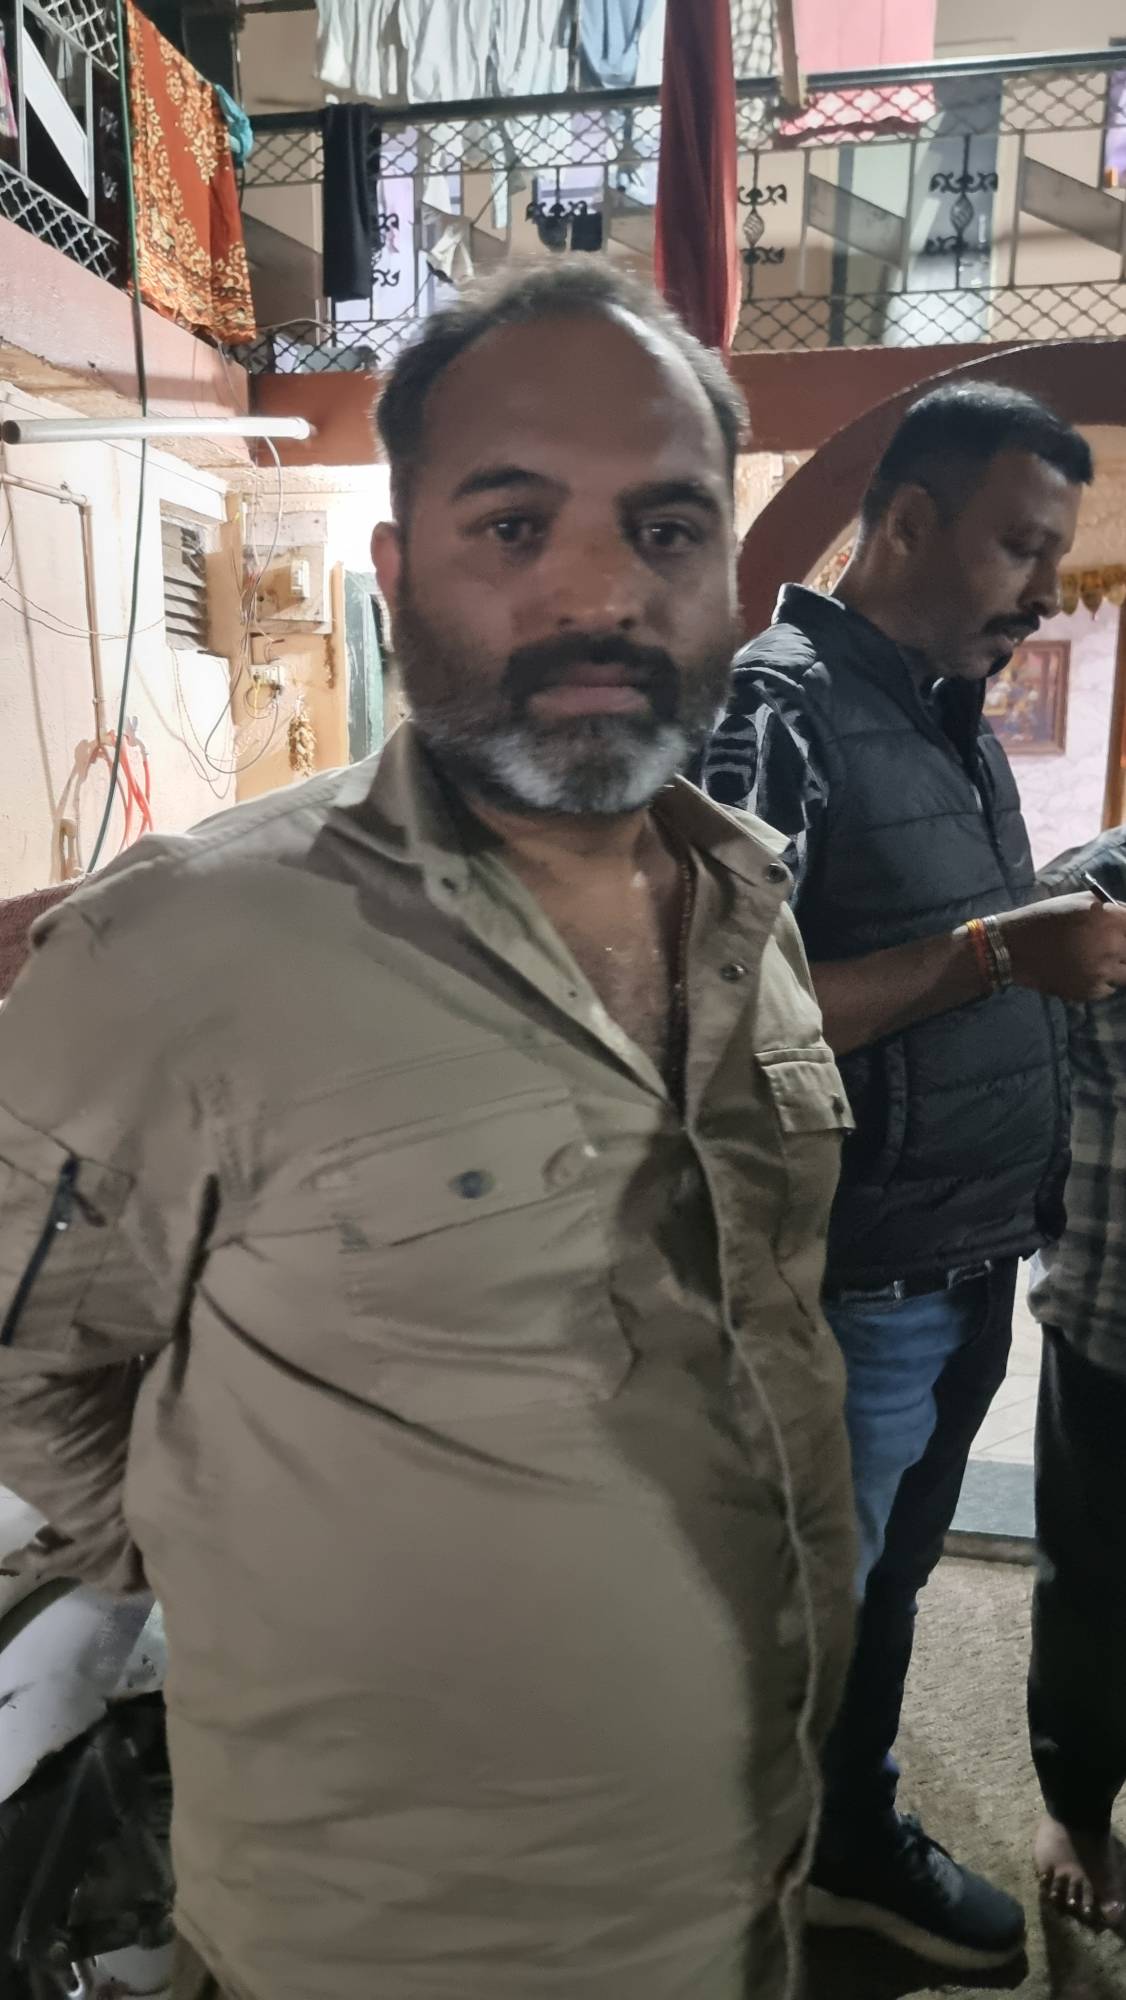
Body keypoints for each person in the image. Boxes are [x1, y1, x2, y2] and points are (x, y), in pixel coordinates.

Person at [0, 265, 857, 2000]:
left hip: (740, 1880)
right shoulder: (180, 956)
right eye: (513, 525)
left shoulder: (744, 911)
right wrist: (214, 1562)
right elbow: (22, 1357)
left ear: (729, 581)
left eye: (665, 529)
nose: (600, 591)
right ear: (395, 577)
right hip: (390, 1930)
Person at [703, 382, 1126, 1974]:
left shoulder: (938, 713)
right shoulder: (778, 711)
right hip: (852, 1279)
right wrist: (992, 956)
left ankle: (847, 1844)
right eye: (1018, 548)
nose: (1040, 592)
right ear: (900, 522)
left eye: (1052, 557)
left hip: (956, 1262)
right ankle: (751, 1895)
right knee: (807, 1610)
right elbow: (718, 1011)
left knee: (879, 1594)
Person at [1027, 824, 1126, 1931]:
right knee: (1095, 1582)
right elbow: (1020, 1100)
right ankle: (1077, 1804)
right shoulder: (1087, 894)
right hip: (1114, 1312)